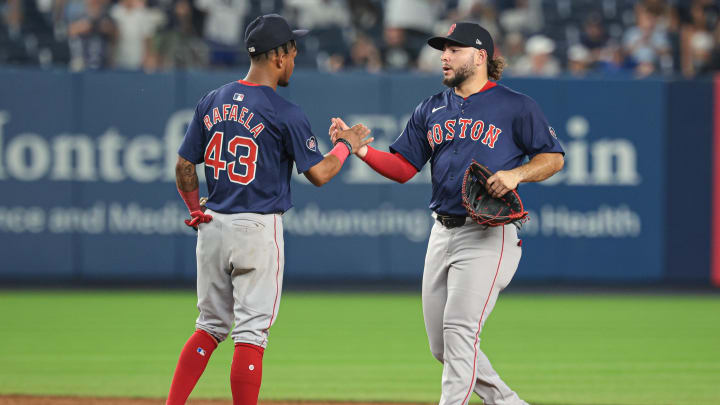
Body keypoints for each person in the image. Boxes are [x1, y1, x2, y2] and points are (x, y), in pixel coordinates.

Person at [330, 22, 564, 405]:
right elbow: (404, 168)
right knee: (444, 346)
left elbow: (552, 157)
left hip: (488, 235)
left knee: (459, 333)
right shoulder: (431, 108)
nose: (444, 56)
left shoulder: (516, 105)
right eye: (444, 49)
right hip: (442, 232)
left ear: (480, 56)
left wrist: (516, 174)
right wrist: (360, 150)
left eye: (454, 49)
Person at [166, 14, 372, 405]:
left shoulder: (212, 100)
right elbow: (321, 174)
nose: (294, 59)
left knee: (208, 327)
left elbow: (183, 166)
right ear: (277, 58)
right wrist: (346, 143)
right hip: (256, 229)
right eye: (292, 52)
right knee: (251, 334)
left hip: (212, 224)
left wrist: (194, 209)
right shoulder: (285, 111)